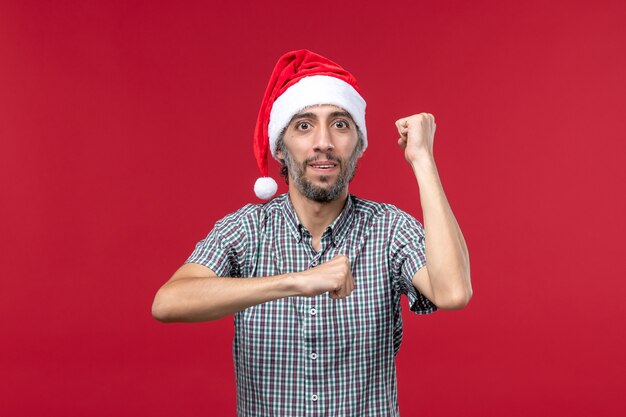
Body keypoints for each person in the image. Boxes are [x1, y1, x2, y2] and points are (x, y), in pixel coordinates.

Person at [152, 49, 472, 417]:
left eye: (340, 124)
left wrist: (422, 160)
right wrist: (297, 282)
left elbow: (453, 292)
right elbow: (167, 303)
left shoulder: (389, 229)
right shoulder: (246, 230)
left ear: (358, 144)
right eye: (304, 125)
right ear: (281, 147)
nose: (324, 142)